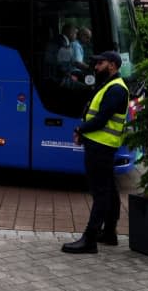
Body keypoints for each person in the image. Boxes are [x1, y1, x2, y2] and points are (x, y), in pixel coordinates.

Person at [62, 50, 129, 254]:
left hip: (101, 147)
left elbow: (101, 118)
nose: (96, 67)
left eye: (100, 64)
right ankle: (109, 233)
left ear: (112, 65)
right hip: (100, 145)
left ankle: (89, 239)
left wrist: (79, 129)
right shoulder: (110, 85)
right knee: (109, 189)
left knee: (100, 192)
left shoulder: (116, 89)